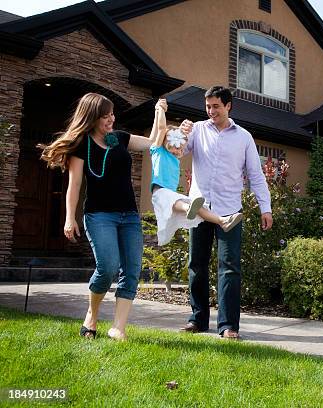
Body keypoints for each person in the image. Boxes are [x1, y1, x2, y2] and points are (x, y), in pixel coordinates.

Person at [39, 92, 154, 341]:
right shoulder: (82, 145)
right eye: (105, 116)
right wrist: (70, 218)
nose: (111, 119)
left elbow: (153, 142)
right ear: (92, 117)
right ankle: (92, 315)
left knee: (132, 269)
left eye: (112, 114)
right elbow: (75, 184)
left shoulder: (119, 139)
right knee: (108, 266)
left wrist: (161, 114)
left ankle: (118, 328)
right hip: (99, 215)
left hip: (129, 216)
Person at [179, 86, 272, 339]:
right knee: (196, 264)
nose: (211, 111)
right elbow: (176, 150)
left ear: (228, 105)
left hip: (230, 210)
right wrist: (179, 133)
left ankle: (228, 325)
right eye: (208, 106)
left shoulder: (244, 137)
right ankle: (197, 319)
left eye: (216, 106)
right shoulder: (197, 130)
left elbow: (255, 175)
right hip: (198, 209)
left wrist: (266, 207)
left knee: (229, 267)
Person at [149, 98, 242, 246]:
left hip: (172, 196)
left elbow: (180, 142)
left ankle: (222, 220)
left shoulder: (175, 158)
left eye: (181, 149)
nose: (178, 151)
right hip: (160, 192)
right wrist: (160, 110)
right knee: (187, 204)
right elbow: (161, 128)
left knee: (199, 207)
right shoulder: (157, 150)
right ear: (165, 143)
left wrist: (183, 134)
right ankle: (188, 209)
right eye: (175, 147)